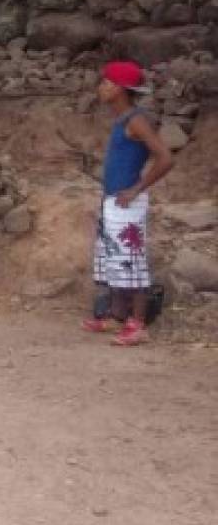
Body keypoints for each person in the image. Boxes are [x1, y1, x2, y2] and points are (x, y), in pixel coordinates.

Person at [83, 61, 174, 346]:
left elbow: (166, 158)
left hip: (126, 204)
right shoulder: (123, 119)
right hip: (114, 201)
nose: (101, 87)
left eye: (106, 83)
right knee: (113, 260)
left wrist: (136, 189)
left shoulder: (135, 120)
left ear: (120, 89)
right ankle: (115, 315)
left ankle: (138, 325)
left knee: (131, 262)